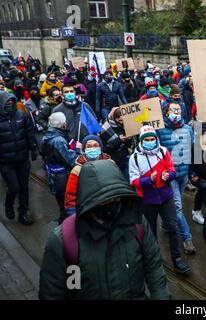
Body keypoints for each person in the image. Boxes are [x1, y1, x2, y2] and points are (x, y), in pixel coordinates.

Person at [39, 160, 171, 299]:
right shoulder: (64, 240)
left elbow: (154, 268)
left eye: (115, 198)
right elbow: (54, 293)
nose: (110, 204)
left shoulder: (136, 222)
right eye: (103, 200)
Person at [129, 125, 190, 274]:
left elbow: (172, 170)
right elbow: (133, 180)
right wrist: (148, 180)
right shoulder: (135, 158)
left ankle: (177, 260)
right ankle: (154, 262)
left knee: (173, 228)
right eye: (147, 140)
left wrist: (168, 176)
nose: (150, 142)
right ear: (141, 141)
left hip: (165, 197)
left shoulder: (163, 152)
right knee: (151, 234)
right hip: (147, 201)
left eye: (152, 139)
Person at [157, 102, 196, 254]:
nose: (176, 112)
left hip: (183, 174)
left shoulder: (187, 129)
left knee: (174, 205)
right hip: (170, 176)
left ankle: (167, 224)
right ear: (166, 112)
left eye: (179, 110)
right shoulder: (159, 130)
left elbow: (194, 150)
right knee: (178, 208)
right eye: (173, 110)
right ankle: (187, 239)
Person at [0, 91, 38, 225]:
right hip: (6, 162)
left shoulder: (21, 115)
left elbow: (30, 133)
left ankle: (23, 212)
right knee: (14, 187)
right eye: (6, 102)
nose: (9, 104)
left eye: (11, 101)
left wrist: (34, 148)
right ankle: (8, 204)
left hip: (22, 159)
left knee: (24, 188)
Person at [40, 112, 77, 224]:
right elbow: (70, 161)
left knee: (61, 204)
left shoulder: (47, 136)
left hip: (53, 176)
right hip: (62, 178)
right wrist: (78, 150)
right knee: (66, 207)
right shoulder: (58, 141)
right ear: (63, 125)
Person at [64, 135, 111, 217]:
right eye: (89, 146)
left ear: (100, 147)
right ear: (84, 149)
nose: (92, 149)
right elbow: (70, 197)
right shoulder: (77, 170)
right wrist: (73, 215)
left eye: (96, 146)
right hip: (87, 211)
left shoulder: (111, 164)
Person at [100, 108, 132, 179]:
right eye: (119, 120)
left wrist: (128, 139)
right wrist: (119, 140)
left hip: (124, 159)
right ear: (114, 118)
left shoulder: (124, 126)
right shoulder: (105, 129)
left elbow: (128, 145)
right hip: (113, 162)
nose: (121, 122)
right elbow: (105, 148)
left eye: (122, 120)